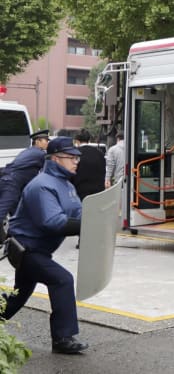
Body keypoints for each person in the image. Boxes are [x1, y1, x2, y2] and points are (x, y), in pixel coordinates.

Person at [1, 137, 87, 354]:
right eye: (71, 157)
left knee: (19, 295)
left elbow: (78, 213)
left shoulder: (65, 184)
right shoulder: (41, 185)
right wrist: (87, 224)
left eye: (77, 157)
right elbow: (52, 222)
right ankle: (62, 338)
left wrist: (95, 217)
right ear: (55, 159)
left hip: (38, 250)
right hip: (27, 250)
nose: (76, 161)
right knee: (62, 280)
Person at [0, 129, 50, 230]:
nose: (48, 143)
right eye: (46, 140)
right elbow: (48, 172)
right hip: (12, 184)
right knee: (2, 212)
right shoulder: (39, 154)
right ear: (38, 141)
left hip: (9, 182)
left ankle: (15, 239)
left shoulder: (27, 151)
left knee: (17, 214)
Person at [72, 129, 106, 200]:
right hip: (98, 194)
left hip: (80, 195)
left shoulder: (75, 154)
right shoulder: (99, 153)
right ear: (88, 140)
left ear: (77, 141)